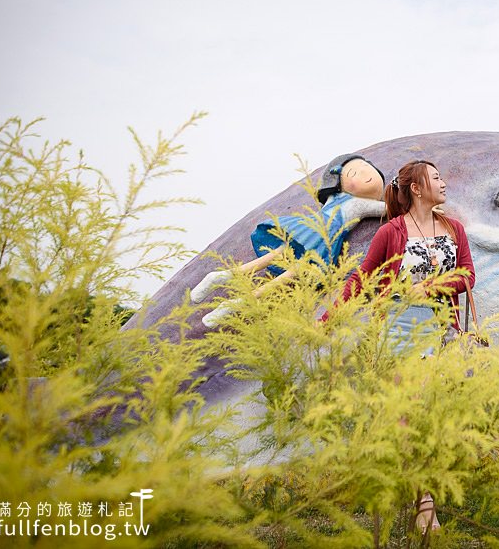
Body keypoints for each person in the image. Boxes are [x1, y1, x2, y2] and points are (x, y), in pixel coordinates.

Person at [337, 159, 476, 534]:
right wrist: (329, 318)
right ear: (416, 188)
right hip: (400, 329)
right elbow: (362, 277)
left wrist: (431, 288)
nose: (443, 182)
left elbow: (467, 275)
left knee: (434, 413)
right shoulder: (392, 232)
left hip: (442, 329)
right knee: (410, 414)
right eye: (436, 177)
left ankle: (420, 487)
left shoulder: (453, 228)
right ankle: (424, 502)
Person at [193, 154, 386, 326]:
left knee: (280, 261)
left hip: (308, 230)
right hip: (319, 237)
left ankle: (225, 286)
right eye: (354, 173)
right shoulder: (357, 203)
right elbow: (386, 209)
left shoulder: (342, 200)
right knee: (286, 269)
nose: (365, 173)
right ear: (339, 183)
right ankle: (229, 293)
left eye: (367, 168)